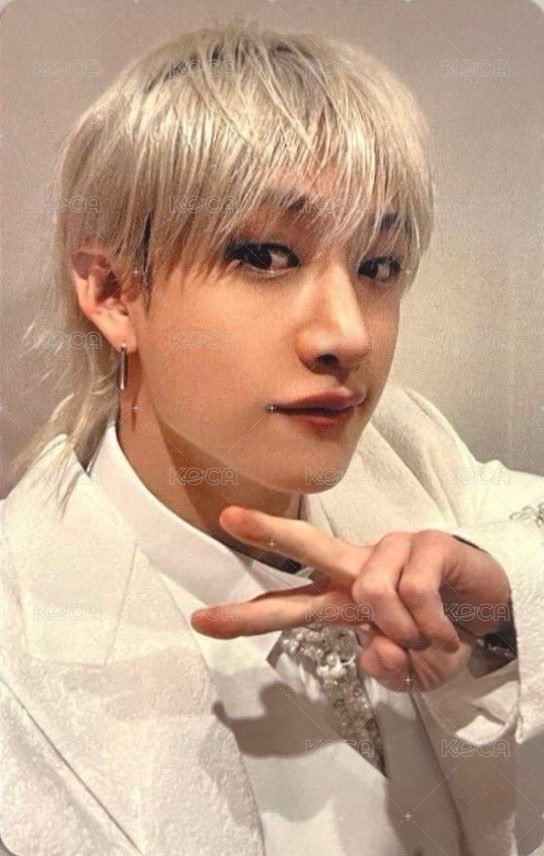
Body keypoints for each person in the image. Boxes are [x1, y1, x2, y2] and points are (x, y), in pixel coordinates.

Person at [1, 19, 543, 856]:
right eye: (263, 256)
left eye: (379, 265)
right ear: (112, 291)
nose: (347, 335)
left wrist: (501, 604)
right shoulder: (23, 635)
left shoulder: (405, 441)